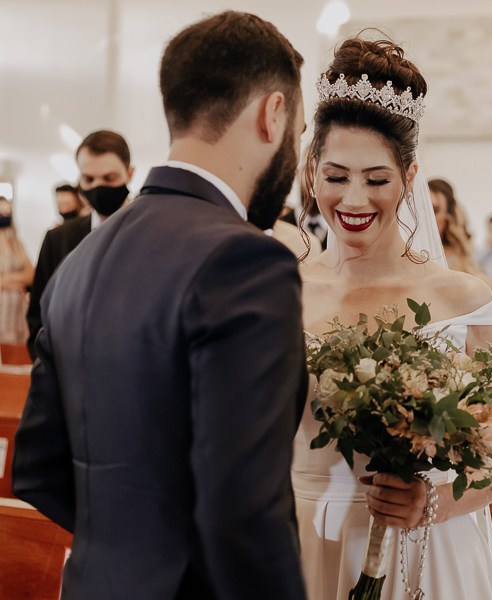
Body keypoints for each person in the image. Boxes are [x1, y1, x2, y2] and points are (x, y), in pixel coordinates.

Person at [13, 11, 308, 599]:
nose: (294, 148)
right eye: (299, 130)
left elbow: (37, 468)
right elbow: (246, 512)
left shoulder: (81, 261)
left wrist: (132, 545)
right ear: (273, 114)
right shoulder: (246, 261)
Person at [294, 37, 492, 599]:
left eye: (376, 179)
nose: (353, 199)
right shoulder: (283, 290)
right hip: (300, 541)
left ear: (409, 177)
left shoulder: (461, 298)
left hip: (421, 550)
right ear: (311, 172)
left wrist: (434, 503)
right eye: (335, 176)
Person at [26, 130, 134, 359]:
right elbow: (38, 319)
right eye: (89, 179)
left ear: (129, 174)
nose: (98, 186)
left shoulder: (151, 234)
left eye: (109, 178)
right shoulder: (58, 239)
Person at [428, 178, 483, 277]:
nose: (427, 217)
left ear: (448, 217)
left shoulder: (460, 258)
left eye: (435, 210)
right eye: (423, 208)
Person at [0, 196, 33, 344]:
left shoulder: (17, 243)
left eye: (7, 212)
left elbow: (30, 275)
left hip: (18, 314)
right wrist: (16, 281)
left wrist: (5, 280)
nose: (4, 216)